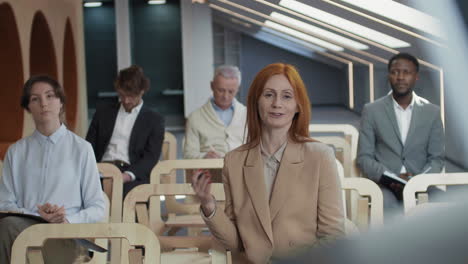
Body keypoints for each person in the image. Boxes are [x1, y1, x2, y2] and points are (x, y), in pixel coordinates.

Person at [191, 63, 345, 263]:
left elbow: (333, 237)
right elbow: (235, 243)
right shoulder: (234, 161)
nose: (277, 104)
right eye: (269, 95)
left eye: (287, 96)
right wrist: (208, 204)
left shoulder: (320, 156)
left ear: (298, 105)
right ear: (256, 102)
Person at [0, 75, 105, 263]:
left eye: (50, 96)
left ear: (61, 103)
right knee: (7, 226)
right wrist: (38, 217)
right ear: (28, 108)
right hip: (23, 231)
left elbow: (97, 207)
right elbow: (5, 204)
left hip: (66, 234)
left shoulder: (82, 148)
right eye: (35, 99)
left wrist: (65, 219)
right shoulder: (15, 152)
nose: (43, 103)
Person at [357, 53, 445, 212]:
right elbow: (364, 157)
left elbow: (437, 159)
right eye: (395, 72)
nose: (400, 77)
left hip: (421, 183)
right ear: (389, 75)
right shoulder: (371, 110)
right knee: (386, 205)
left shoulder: (432, 112)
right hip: (385, 186)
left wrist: (418, 181)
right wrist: (391, 178)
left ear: (416, 77)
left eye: (407, 72)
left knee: (446, 203)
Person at [86, 65, 165, 197]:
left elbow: (151, 157)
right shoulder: (103, 113)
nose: (126, 100)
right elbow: (88, 146)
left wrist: (127, 175)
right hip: (101, 169)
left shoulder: (154, 120)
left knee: (123, 195)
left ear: (142, 91)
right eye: (122, 95)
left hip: (130, 173)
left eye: (131, 96)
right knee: (79, 190)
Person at [184, 65, 247, 160]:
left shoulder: (248, 114)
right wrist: (204, 157)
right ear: (212, 86)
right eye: (221, 90)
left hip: (242, 172)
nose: (225, 96)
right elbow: (188, 155)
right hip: (210, 172)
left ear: (237, 89)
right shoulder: (195, 117)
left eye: (231, 91)